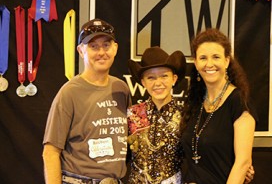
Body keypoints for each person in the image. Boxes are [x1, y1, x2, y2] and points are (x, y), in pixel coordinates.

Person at [42, 18, 131, 184]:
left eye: (106, 45)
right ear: (81, 51)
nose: (101, 52)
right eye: (93, 46)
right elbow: (50, 152)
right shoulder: (69, 92)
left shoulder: (121, 89)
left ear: (115, 48)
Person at [180, 28, 257, 184]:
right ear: (195, 62)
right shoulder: (195, 101)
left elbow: (243, 163)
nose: (209, 64)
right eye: (203, 58)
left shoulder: (239, 102)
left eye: (216, 57)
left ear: (227, 61)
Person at [126, 46, 186, 184]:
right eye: (151, 77)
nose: (158, 83)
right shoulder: (133, 113)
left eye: (164, 76)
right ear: (143, 82)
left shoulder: (185, 115)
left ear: (174, 79)